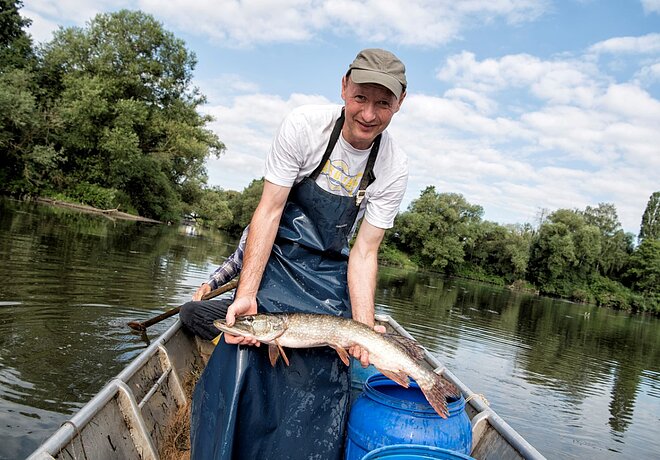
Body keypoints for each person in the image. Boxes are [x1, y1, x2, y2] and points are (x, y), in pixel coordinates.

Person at [189, 48, 409, 460]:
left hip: (330, 276)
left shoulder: (393, 165)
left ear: (399, 103)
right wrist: (246, 293)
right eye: (360, 97)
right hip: (278, 263)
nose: (368, 114)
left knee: (321, 382)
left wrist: (363, 328)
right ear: (344, 88)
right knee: (242, 359)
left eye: (383, 103)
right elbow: (269, 211)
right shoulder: (305, 127)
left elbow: (364, 252)